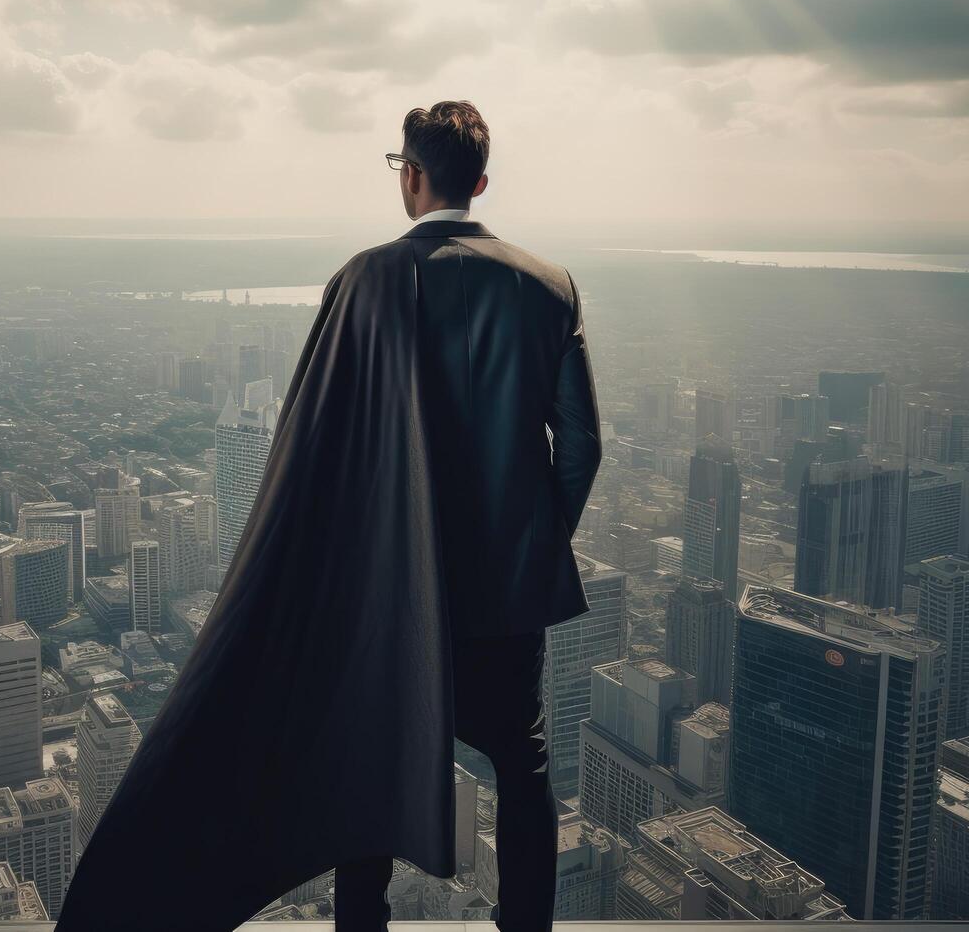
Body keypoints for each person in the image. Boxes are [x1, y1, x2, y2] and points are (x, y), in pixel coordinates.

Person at [55, 100, 601, 932]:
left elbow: (313, 442)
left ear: (410, 178)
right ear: (480, 182)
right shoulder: (548, 285)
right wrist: (525, 548)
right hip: (502, 599)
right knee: (522, 769)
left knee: (367, 763)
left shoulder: (363, 280)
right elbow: (582, 447)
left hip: (383, 592)